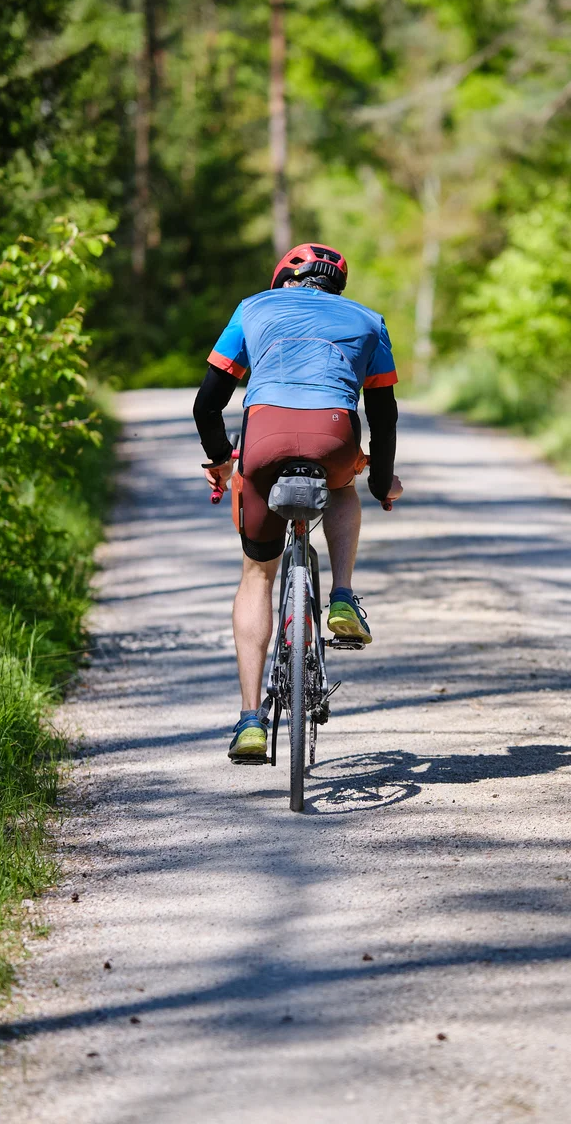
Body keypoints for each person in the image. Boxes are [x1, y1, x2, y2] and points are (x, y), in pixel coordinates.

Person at [193, 242, 405, 764]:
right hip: (332, 437)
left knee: (256, 576)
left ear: (285, 278)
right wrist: (380, 481)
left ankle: (249, 720)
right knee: (343, 482)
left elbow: (207, 404)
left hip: (263, 438)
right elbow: (384, 414)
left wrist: (222, 461)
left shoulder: (253, 308)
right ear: (336, 284)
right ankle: (342, 596)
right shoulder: (369, 320)